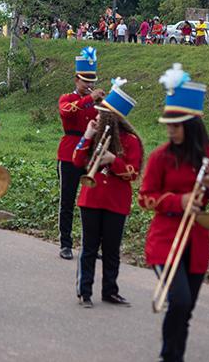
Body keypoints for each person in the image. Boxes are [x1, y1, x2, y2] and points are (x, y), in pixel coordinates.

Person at [138, 64, 209, 362]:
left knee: (185, 310)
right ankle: (168, 357)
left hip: (197, 243)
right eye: (168, 124)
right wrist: (178, 201)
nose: (169, 129)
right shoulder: (160, 157)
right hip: (165, 242)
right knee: (180, 301)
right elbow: (144, 199)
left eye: (176, 124)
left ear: (193, 124)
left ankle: (174, 356)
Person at [72, 80, 142, 307]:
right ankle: (85, 292)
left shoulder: (131, 141)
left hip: (116, 201)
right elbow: (77, 160)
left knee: (112, 250)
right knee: (89, 248)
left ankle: (110, 291)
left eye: (102, 114)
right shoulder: (93, 135)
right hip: (91, 198)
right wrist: (87, 135)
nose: (98, 117)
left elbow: (134, 173)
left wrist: (114, 161)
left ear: (113, 118)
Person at [56, 47, 104, 260]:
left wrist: (104, 105)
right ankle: (65, 243)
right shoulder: (67, 98)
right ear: (76, 80)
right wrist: (89, 98)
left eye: (92, 81)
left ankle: (91, 245)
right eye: (85, 81)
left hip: (90, 154)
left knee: (92, 202)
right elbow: (67, 111)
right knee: (67, 201)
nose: (89, 85)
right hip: (69, 153)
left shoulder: (96, 103)